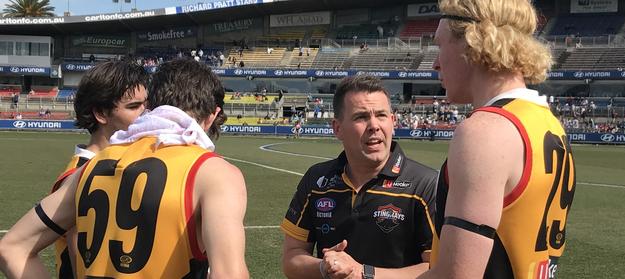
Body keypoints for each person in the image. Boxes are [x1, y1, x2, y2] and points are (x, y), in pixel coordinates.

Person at [0, 59, 249, 279]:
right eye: (133, 106)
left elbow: (12, 247)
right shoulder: (214, 172)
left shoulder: (89, 169)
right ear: (212, 115)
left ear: (155, 104)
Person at [419, 0, 576, 278]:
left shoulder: (484, 131)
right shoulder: (547, 122)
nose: (434, 63)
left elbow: (456, 275)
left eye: (439, 45)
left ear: (471, 43)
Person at [281, 75, 438, 279]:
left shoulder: (424, 185)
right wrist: (325, 267)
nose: (374, 125)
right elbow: (292, 257)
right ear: (337, 128)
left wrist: (364, 273)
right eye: (361, 117)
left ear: (393, 122)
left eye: (381, 115)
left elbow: (437, 270)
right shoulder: (316, 180)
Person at [50, 60, 150, 279]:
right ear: (101, 114)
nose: (146, 113)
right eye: (134, 106)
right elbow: (84, 267)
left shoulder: (122, 164)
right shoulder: (80, 176)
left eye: (146, 104)